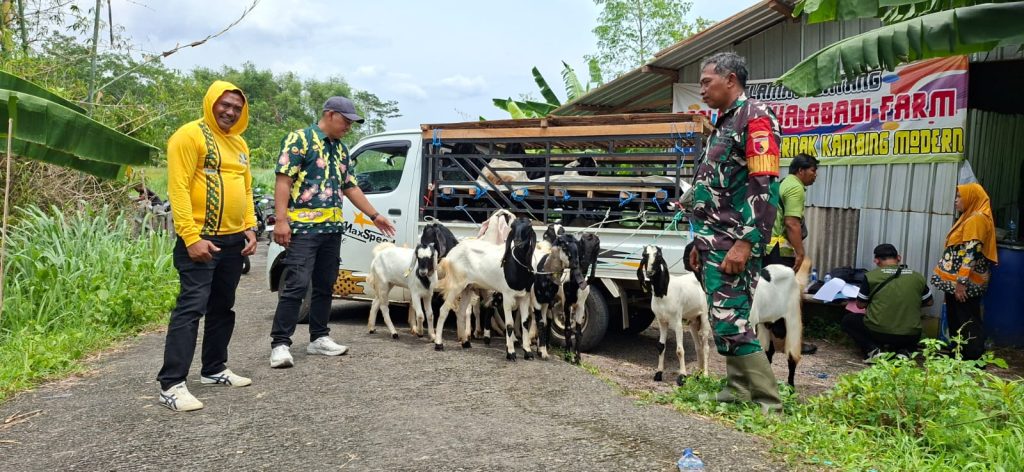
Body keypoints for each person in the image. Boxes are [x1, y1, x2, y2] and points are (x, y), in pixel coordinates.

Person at [686, 52, 782, 413]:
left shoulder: (756, 118)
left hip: (735, 240)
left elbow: (765, 185)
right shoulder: (724, 122)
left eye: (707, 81)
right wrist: (700, 242)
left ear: (730, 79)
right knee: (723, 318)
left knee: (731, 321)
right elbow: (714, 188)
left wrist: (745, 243)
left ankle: (768, 403)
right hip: (714, 239)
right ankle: (737, 390)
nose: (702, 89)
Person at [269, 96, 396, 368]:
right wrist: (281, 220)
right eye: (346, 120)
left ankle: (319, 338)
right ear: (329, 114)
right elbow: (283, 179)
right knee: (296, 284)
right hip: (303, 229)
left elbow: (349, 186)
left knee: (326, 284)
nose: (349, 126)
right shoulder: (299, 140)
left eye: (352, 122)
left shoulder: (341, 149)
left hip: (331, 229)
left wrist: (374, 215)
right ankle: (280, 343)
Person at [156, 81, 258, 412]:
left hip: (232, 241)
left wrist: (250, 227)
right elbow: (179, 188)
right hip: (201, 238)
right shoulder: (190, 136)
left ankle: (214, 369)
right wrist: (191, 237)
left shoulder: (240, 143)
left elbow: (246, 186)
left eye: (237, 108)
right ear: (211, 102)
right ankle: (171, 384)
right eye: (225, 104)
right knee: (190, 309)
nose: (230, 111)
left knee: (222, 307)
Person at [931, 183, 998, 361]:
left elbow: (972, 252)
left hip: (965, 283)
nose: (956, 200)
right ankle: (959, 354)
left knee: (966, 320)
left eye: (960, 196)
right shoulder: (969, 217)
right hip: (960, 282)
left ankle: (972, 358)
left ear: (971, 198)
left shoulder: (976, 219)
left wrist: (961, 282)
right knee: (957, 318)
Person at [764, 153, 819, 355]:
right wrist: (800, 251)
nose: (815, 176)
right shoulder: (795, 187)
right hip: (780, 249)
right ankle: (788, 343)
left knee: (772, 295)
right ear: (800, 170)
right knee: (787, 297)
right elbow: (791, 222)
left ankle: (772, 340)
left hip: (769, 249)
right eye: (813, 171)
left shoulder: (783, 184)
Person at [842, 244, 933, 363]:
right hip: (909, 334)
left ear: (876, 260)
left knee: (848, 320)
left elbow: (860, 305)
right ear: (899, 258)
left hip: (878, 332)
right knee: (913, 328)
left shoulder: (871, 277)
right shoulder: (917, 277)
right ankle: (904, 352)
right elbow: (930, 302)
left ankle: (873, 350)